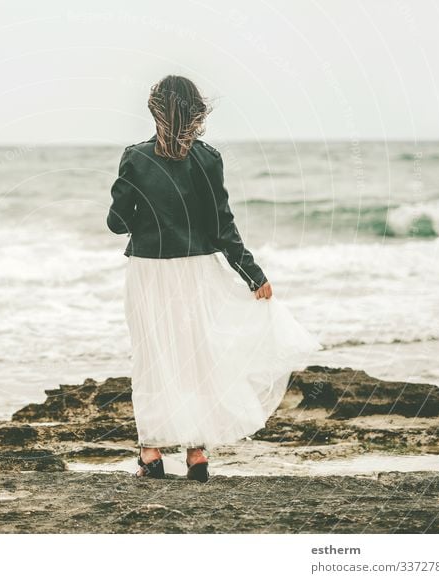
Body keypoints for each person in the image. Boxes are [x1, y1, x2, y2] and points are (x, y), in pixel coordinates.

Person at [106, 74, 322, 482]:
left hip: (149, 271)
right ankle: (196, 454)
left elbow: (116, 223)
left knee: (152, 356)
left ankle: (150, 453)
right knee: (197, 357)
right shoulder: (208, 158)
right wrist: (252, 275)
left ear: (154, 110)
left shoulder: (135, 158)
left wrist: (128, 194)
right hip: (197, 269)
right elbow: (222, 226)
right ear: (196, 113)